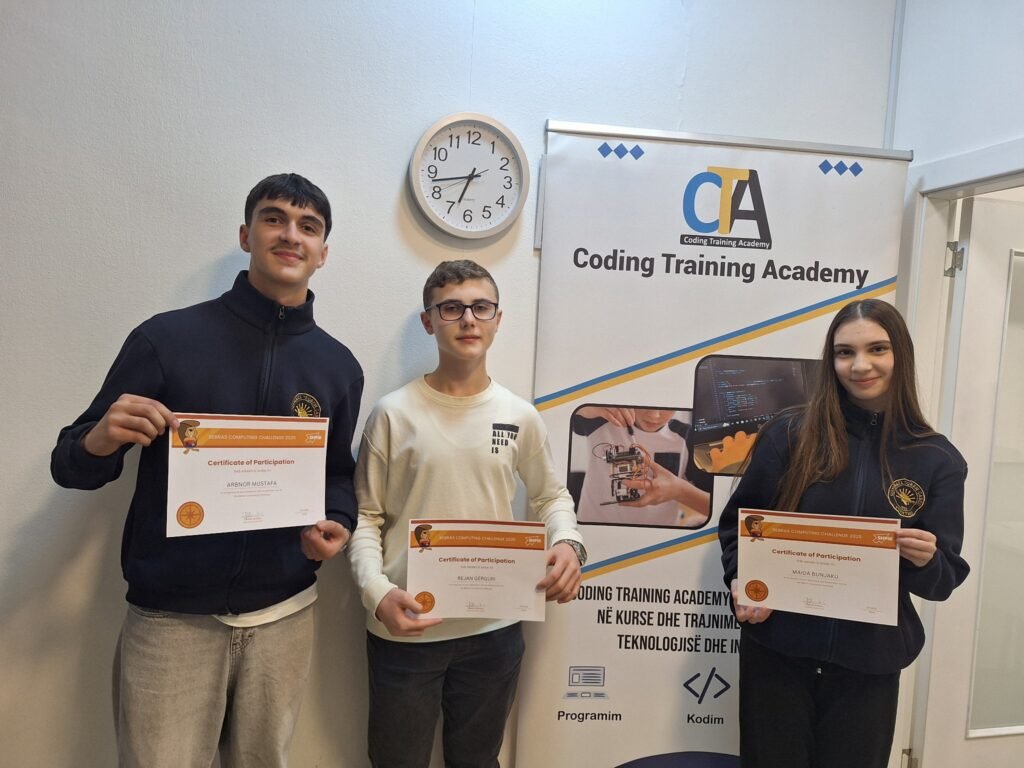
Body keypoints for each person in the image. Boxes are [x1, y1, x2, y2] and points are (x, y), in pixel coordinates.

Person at [50, 173, 363, 767]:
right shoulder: (166, 339)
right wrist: (98, 439)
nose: (290, 235)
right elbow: (71, 467)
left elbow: (338, 474)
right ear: (246, 235)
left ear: (323, 253)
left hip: (285, 614)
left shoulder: (338, 366)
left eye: (308, 226)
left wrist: (339, 521)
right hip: (172, 621)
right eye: (274, 218)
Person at [349, 259, 585, 768]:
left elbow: (551, 497)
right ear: (428, 321)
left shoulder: (519, 415)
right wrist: (377, 594)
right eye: (451, 308)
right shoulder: (392, 413)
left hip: (494, 631)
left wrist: (568, 543)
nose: (468, 319)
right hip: (406, 626)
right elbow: (366, 518)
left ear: (498, 319)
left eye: (481, 307)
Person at [718, 299, 969, 768]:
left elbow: (944, 579)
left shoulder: (936, 458)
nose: (860, 365)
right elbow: (740, 528)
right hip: (777, 657)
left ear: (901, 354)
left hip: (868, 668)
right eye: (844, 352)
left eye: (877, 349)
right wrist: (740, 579)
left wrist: (927, 560)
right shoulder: (790, 434)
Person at [571, 406, 711, 527]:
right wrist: (590, 407)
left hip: (658, 537)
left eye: (666, 406)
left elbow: (713, 505)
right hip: (593, 529)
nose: (653, 415)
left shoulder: (689, 438)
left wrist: (679, 491)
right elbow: (570, 411)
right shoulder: (601, 419)